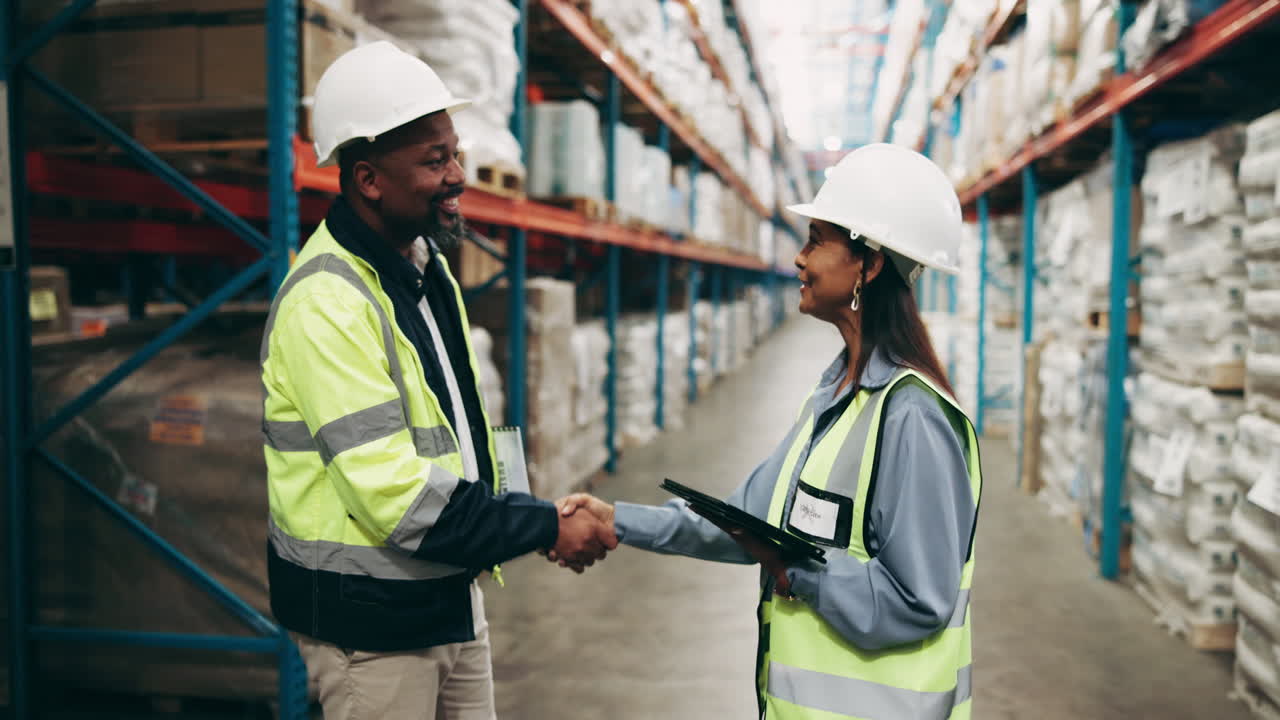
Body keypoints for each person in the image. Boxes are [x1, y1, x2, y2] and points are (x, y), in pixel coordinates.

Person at [555, 144, 982, 720]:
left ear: (869, 265)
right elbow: (750, 520)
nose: (800, 259)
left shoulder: (913, 418)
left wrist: (795, 569)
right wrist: (618, 519)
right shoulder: (835, 391)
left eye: (815, 240)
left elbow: (917, 601)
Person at [260, 42, 616, 720]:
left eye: (454, 153)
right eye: (435, 161)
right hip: (372, 626)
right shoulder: (327, 304)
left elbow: (454, 437)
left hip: (444, 594)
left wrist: (520, 522)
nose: (459, 175)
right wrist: (543, 526)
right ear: (368, 179)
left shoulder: (423, 269)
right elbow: (398, 499)